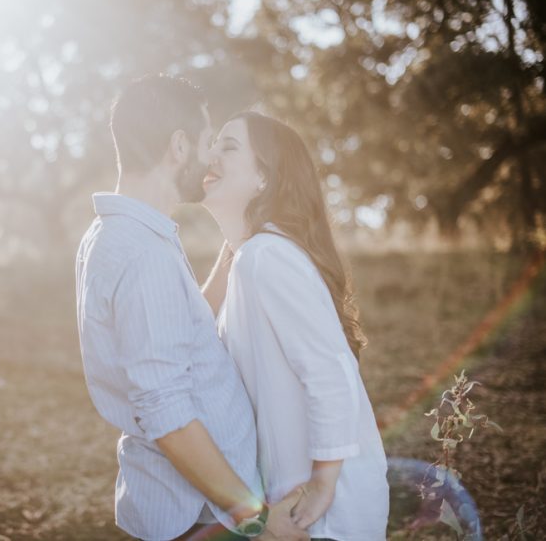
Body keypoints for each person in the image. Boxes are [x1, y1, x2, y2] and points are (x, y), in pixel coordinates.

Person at [75, 76, 308, 541]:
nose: (212, 160)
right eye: (207, 143)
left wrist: (234, 242)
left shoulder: (118, 234)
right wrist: (257, 520)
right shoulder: (143, 254)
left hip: (193, 508)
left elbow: (171, 332)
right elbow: (166, 410)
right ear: (179, 146)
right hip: (203, 518)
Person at [201, 112, 391, 541]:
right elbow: (190, 330)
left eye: (228, 146)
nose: (210, 154)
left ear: (264, 178)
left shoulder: (266, 257)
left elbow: (330, 371)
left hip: (324, 511)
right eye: (212, 143)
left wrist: (322, 486)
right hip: (293, 503)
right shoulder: (250, 258)